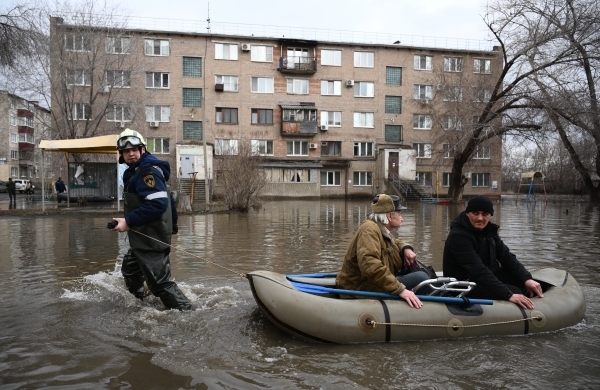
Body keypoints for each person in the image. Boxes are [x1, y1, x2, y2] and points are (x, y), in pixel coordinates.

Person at [110, 129, 193, 311]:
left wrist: (128, 222)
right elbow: (169, 199)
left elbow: (158, 204)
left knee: (160, 284)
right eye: (126, 151)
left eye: (135, 149)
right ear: (121, 154)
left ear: (143, 149)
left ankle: (191, 315)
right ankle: (139, 304)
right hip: (146, 233)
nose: (131, 153)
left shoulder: (146, 171)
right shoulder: (136, 170)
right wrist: (173, 226)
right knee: (131, 268)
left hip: (151, 235)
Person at [443, 195, 544, 309]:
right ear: (467, 213)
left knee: (522, 282)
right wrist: (508, 294)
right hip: (464, 284)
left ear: (490, 215)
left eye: (485, 214)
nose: (480, 218)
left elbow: (507, 257)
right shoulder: (458, 236)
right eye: (475, 213)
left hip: (485, 277)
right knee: (514, 291)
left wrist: (527, 278)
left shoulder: (489, 232)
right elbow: (477, 269)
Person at [336, 194, 429, 308]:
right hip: (360, 287)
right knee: (422, 278)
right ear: (390, 216)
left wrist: (406, 248)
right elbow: (370, 266)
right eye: (400, 213)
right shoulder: (369, 230)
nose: (402, 218)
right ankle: (418, 308)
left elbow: (395, 242)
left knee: (424, 273)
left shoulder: (380, 228)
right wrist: (400, 289)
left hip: (371, 283)